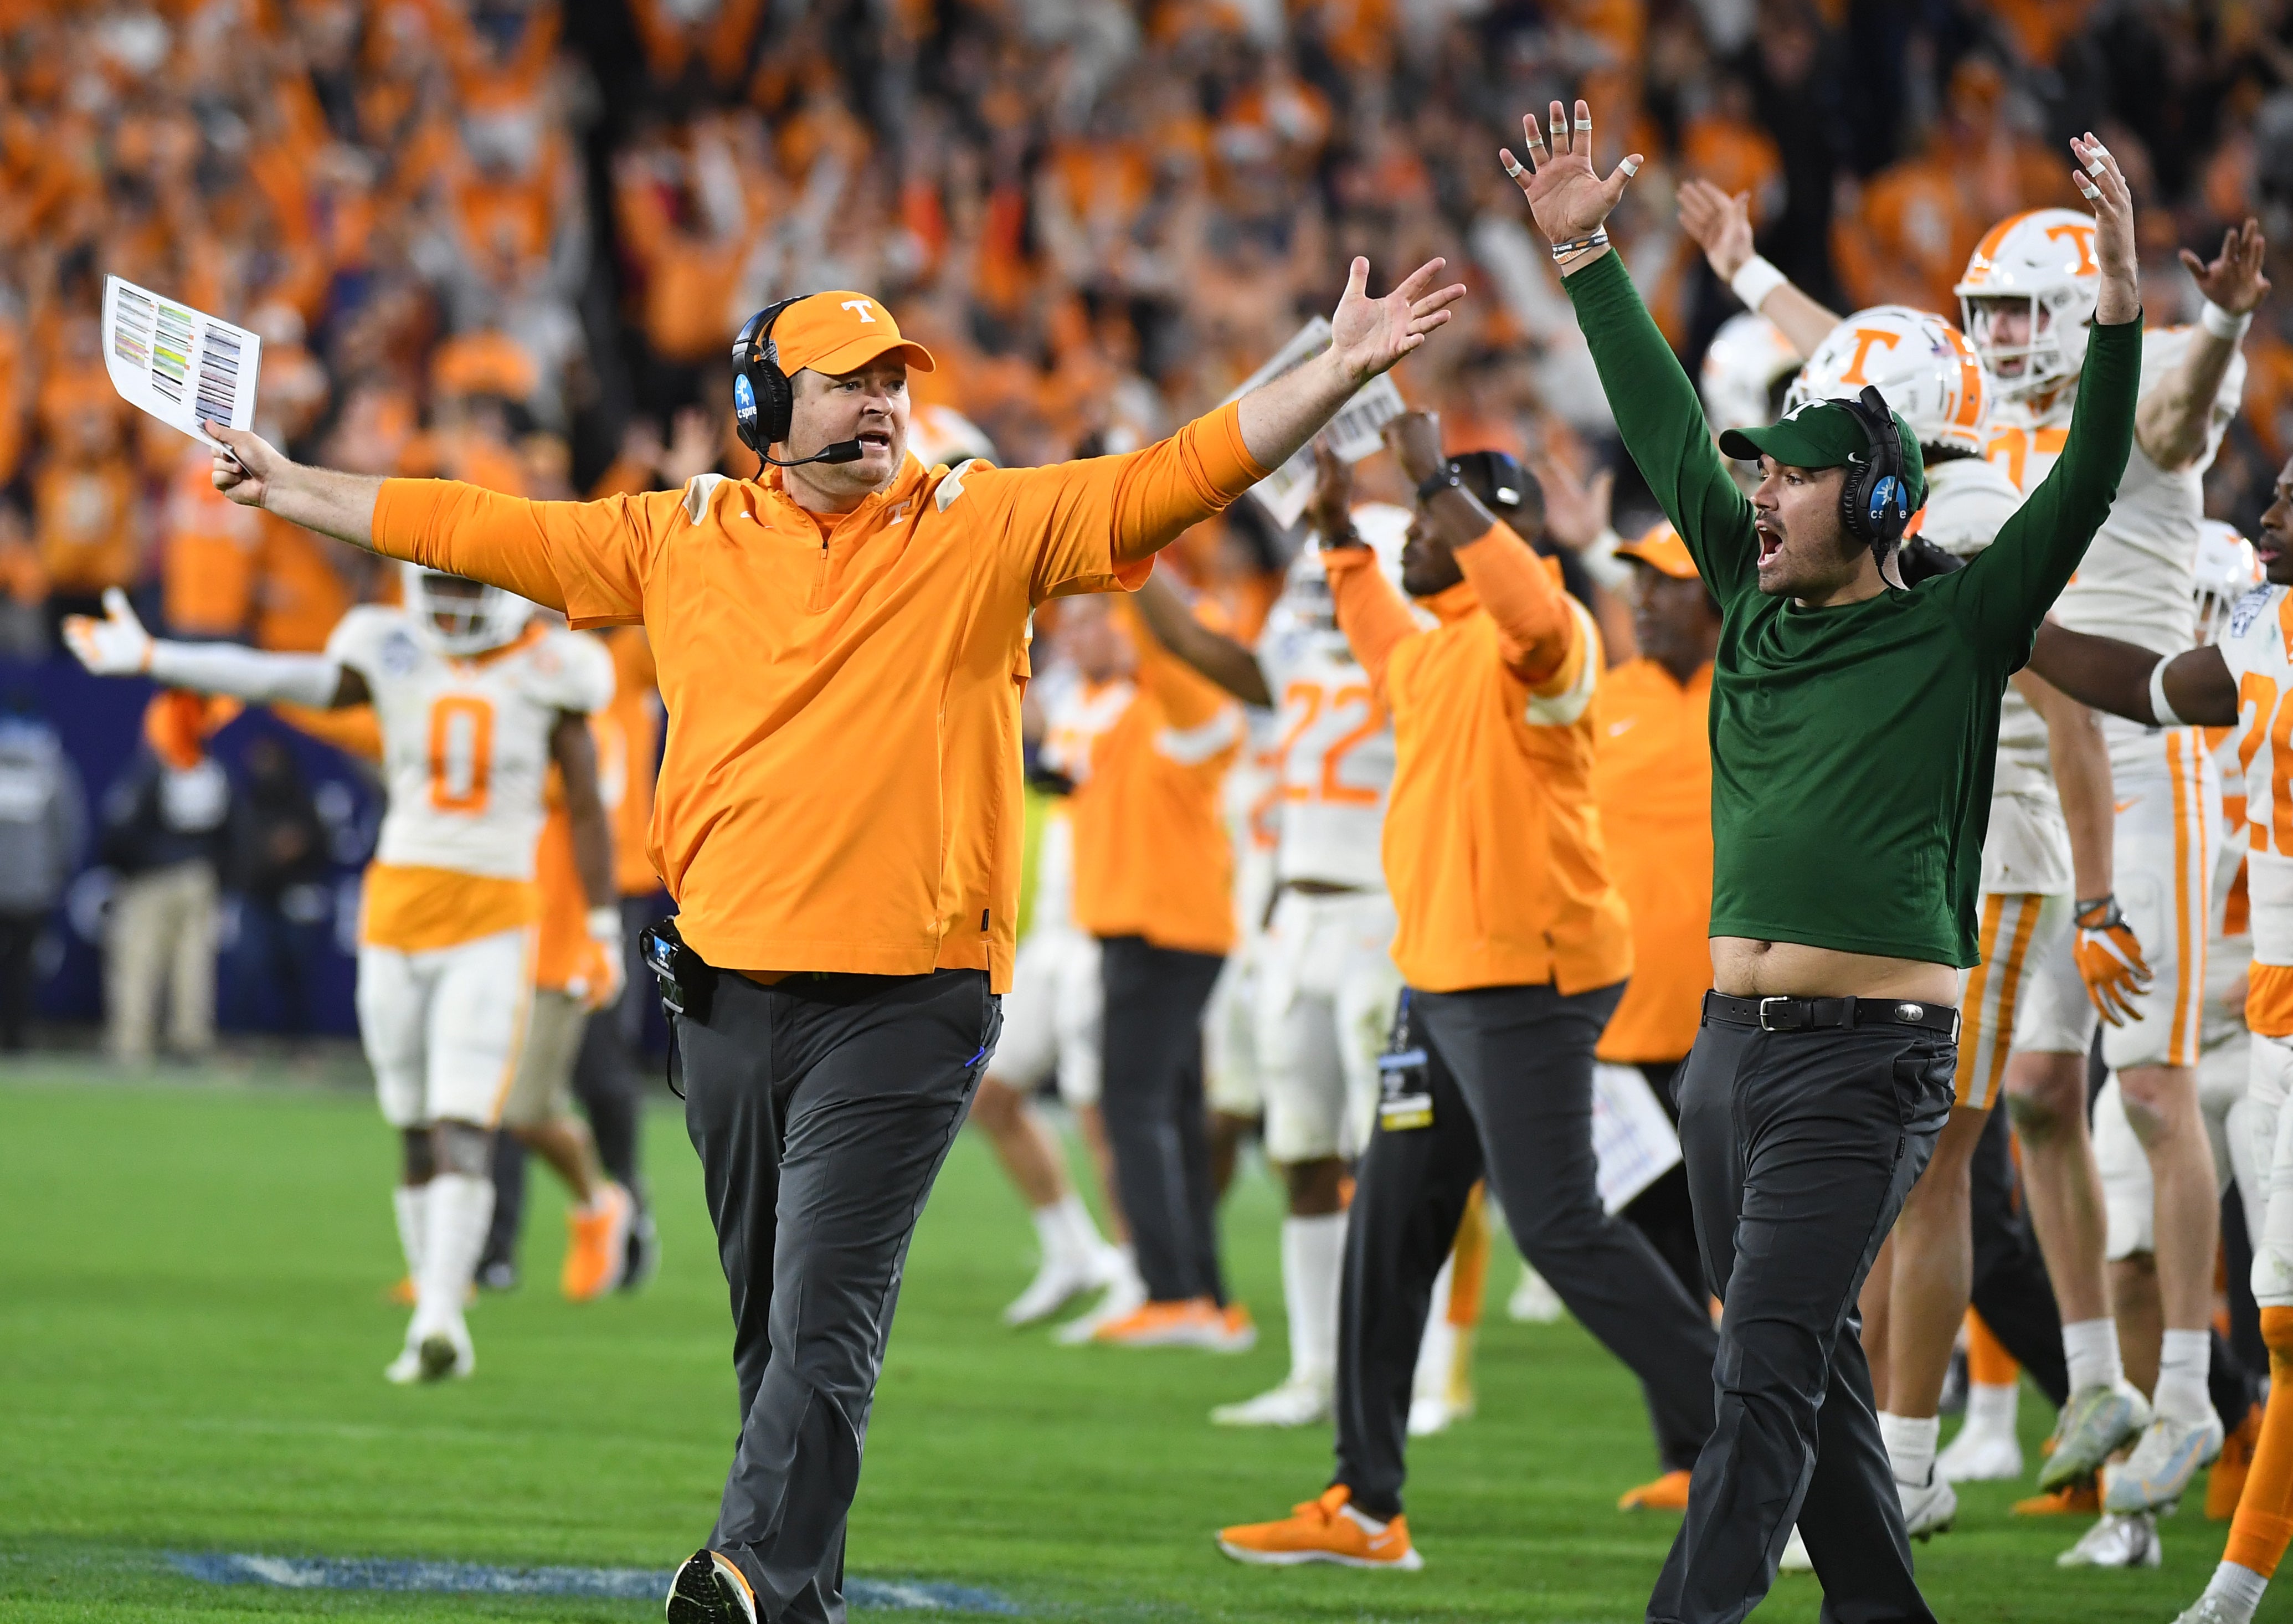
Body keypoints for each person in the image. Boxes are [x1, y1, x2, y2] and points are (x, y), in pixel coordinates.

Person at [176, 269, 1462, 1624]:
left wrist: (1331, 374)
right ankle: (794, 1593)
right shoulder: (680, 532)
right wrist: (293, 482)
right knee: (770, 1327)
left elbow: (1173, 474)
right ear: (762, 405)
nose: (881, 401)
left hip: (906, 995)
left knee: (826, 1304)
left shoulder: (983, 523)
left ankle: (741, 1573)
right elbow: (482, 527)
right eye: (848, 379)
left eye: (892, 377)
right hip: (725, 990)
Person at [1511, 101, 2140, 1621]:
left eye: (1786, 475)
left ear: (1869, 499)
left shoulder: (1960, 620)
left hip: (1865, 1064)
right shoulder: (1752, 589)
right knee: (1807, 1368)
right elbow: (1658, 411)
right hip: (1726, 1058)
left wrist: (2116, 310)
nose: (1754, 495)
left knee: (1760, 1378)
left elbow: (2087, 473)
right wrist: (1585, 253)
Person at [1216, 409, 1717, 1571]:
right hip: (1438, 981)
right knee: (1389, 1232)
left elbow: (1533, 612)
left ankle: (1768, 1433)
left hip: (1528, 982)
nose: (1410, 537)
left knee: (1561, 1227)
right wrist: (1341, 528)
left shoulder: (1553, 637)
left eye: (1428, 522)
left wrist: (1435, 472)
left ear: (1485, 528)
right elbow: (1375, 620)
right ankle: (1366, 1500)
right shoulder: (1438, 643)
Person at [66, 566, 619, 1385]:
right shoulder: (389, 647)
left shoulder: (553, 668)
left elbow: (585, 806)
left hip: (494, 917)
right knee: (410, 1124)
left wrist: (603, 927)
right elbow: (279, 676)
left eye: (470, 588)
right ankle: (436, 1302)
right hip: (396, 913)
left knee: (464, 1115)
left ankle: (440, 1316)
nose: (456, 605)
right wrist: (158, 656)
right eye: (442, 587)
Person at [1959, 209, 2269, 1525]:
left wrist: (2212, 321)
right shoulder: (1976, 420)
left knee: (2150, 1091)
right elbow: (1860, 359)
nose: (2003, 336)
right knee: (2036, 1087)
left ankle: (2193, 1390)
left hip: (2149, 769)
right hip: (2038, 771)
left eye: (2029, 309)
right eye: (1991, 311)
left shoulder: (2137, 381)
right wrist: (1748, 271)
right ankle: (2097, 1376)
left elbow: (2177, 419)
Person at [2023, 452, 2293, 1624]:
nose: (2271, 509)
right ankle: (2171, 1518)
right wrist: (2002, 612)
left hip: (2250, 1022)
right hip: (2254, 1021)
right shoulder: (2267, 630)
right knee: (2266, 1306)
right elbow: (2145, 686)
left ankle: (2231, 1585)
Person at [1063, 590, 1253, 1350]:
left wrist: (1132, 559)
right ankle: (1207, 1297)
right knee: (1169, 1114)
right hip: (1159, 930)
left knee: (1130, 1108)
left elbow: (1168, 651)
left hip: (1162, 932)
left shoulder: (1193, 705)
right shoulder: (1140, 710)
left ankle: (1171, 1292)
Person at [966, 613, 1136, 1334]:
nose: (1080, 637)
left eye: (1100, 624)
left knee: (1105, 1117)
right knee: (991, 1094)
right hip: (1051, 933)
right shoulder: (1073, 699)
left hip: (1108, 929)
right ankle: (1073, 1249)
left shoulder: (1152, 702)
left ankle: (1141, 1276)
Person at [1588, 520, 1723, 1316]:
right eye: (1637, 581)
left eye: (1665, 583)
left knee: (1746, 1253)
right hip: (1622, 1024)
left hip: (1736, 1020)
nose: (1644, 599)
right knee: (1654, 1253)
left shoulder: (1755, 691)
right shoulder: (1599, 703)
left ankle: (1771, 1433)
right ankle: (1685, 1443)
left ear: (1712, 596)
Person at [98, 693, 238, 1066]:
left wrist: (125, 865)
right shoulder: (211, 770)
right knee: (193, 964)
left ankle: (132, 1043)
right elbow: (231, 831)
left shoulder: (155, 769)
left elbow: (122, 826)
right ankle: (190, 1039)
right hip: (199, 876)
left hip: (152, 878)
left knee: (139, 960)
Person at [0, 687, 85, 1050]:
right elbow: (68, 829)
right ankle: (16, 1038)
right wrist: (57, 874)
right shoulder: (53, 768)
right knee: (21, 966)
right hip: (32, 889)